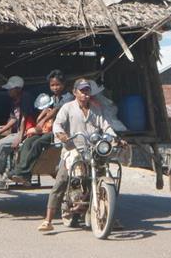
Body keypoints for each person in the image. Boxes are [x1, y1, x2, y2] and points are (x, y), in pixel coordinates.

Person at [37, 78, 126, 231]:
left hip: (93, 150)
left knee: (103, 177)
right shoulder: (67, 108)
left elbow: (106, 126)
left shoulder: (96, 109)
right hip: (73, 150)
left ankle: (110, 217)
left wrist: (116, 138)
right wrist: (61, 134)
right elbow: (57, 124)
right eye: (82, 91)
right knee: (61, 181)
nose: (85, 94)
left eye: (87, 91)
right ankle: (48, 220)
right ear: (75, 92)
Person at [9, 69, 73, 184]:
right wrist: (41, 118)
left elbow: (56, 110)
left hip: (62, 132)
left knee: (38, 143)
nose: (55, 88)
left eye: (58, 85)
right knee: (29, 142)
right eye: (52, 85)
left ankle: (21, 171)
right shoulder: (53, 98)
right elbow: (47, 109)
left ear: (63, 84)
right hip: (50, 131)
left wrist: (44, 119)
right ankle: (24, 173)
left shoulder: (68, 97)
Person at [0, 76, 34, 188]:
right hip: (19, 132)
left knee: (0, 145)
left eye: (10, 89)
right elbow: (13, 119)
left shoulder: (26, 98)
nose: (8, 91)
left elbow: (24, 118)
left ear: (18, 89)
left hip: (27, 132)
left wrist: (20, 136)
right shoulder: (15, 102)